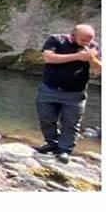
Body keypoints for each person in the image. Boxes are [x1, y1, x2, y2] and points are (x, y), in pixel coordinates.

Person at [36, 24, 101, 163]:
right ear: (73, 36)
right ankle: (52, 143)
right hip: (50, 88)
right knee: (46, 119)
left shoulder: (93, 47)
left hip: (75, 93)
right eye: (83, 40)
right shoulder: (56, 40)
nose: (87, 43)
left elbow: (98, 71)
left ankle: (64, 150)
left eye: (89, 40)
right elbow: (49, 58)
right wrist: (77, 56)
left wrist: (92, 59)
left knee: (71, 123)